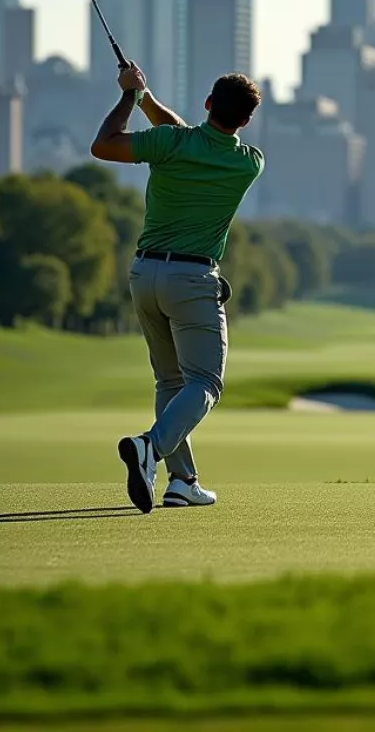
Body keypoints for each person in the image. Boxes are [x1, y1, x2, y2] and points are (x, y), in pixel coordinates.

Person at [90, 63, 264, 514]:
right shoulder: (248, 162)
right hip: (192, 279)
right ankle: (151, 446)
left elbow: (104, 145)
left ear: (207, 103)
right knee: (204, 381)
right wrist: (143, 96)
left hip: (144, 275)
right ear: (246, 121)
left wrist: (132, 97)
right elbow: (193, 139)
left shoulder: (171, 145)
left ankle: (183, 481)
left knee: (171, 379)